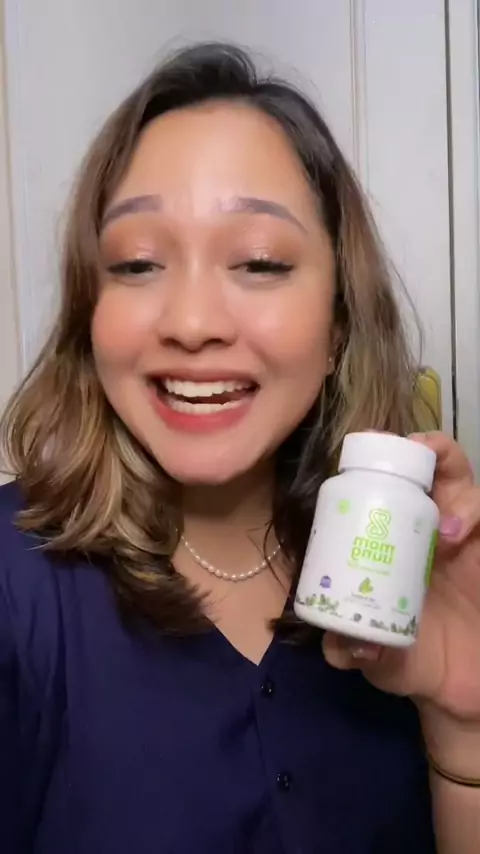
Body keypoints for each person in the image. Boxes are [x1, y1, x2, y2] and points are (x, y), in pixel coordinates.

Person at [0, 41, 479, 854]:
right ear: (90, 314)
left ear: (338, 324)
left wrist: (465, 721)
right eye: (137, 263)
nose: (192, 323)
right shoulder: (17, 589)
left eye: (258, 262)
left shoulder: (395, 578)